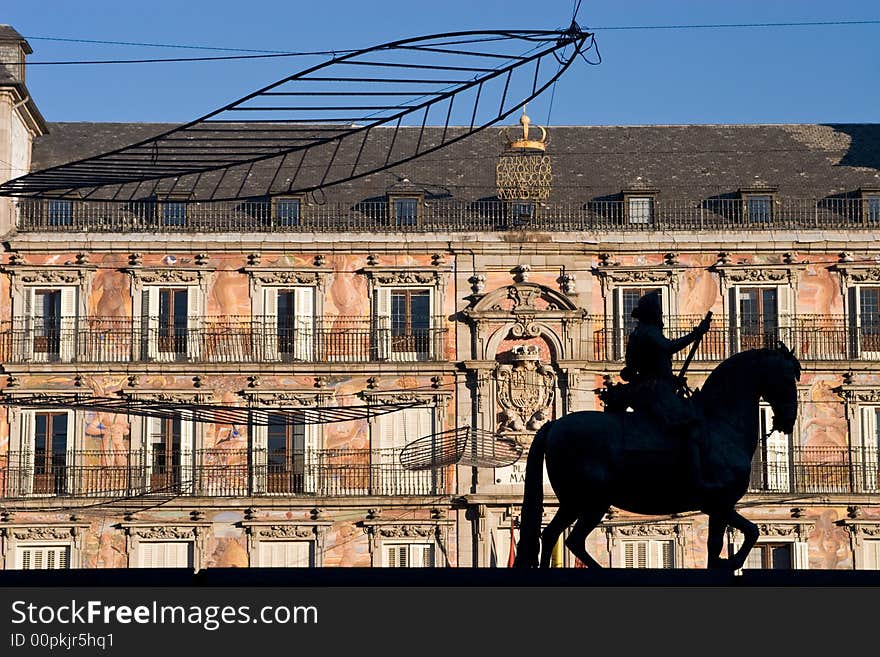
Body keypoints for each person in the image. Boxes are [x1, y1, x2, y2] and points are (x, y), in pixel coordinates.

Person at [620, 292, 717, 493]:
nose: (661, 315)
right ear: (653, 313)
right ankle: (696, 478)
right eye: (659, 311)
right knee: (689, 424)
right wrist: (696, 333)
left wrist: (671, 379)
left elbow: (650, 362)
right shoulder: (649, 332)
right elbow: (668, 347)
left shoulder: (639, 332)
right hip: (654, 389)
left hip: (651, 386)